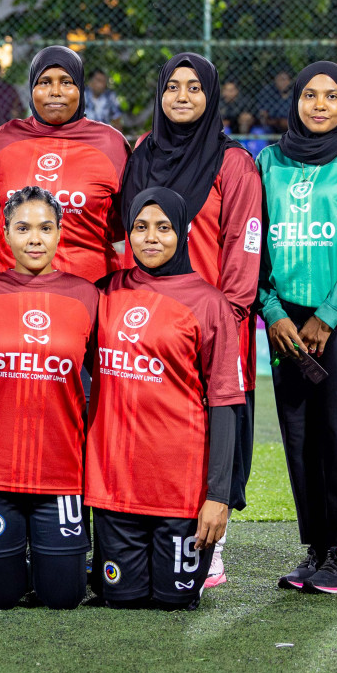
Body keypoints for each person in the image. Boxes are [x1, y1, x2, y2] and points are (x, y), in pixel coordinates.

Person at [119, 52, 262, 588]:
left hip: (207, 324)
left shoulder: (233, 164)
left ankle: (212, 545)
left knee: (211, 427)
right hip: (144, 320)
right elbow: (127, 237)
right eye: (172, 86)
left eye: (194, 87)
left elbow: (243, 248)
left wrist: (223, 320)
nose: (182, 96)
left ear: (212, 96)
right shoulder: (141, 153)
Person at [256, 62, 337, 594]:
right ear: (295, 101)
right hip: (287, 322)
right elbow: (254, 245)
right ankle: (316, 548)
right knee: (299, 437)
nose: (318, 105)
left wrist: (328, 316)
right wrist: (272, 311)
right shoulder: (267, 160)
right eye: (309, 95)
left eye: (331, 97)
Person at [87, 188, 245, 610]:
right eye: (140, 227)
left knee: (172, 604)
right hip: (114, 490)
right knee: (121, 600)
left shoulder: (210, 304)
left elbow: (226, 406)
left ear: (184, 233)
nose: (150, 238)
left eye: (163, 228)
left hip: (181, 494)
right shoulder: (104, 293)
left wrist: (219, 497)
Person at [0, 187, 97, 610]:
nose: (34, 239)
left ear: (60, 233)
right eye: (22, 228)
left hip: (60, 472)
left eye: (45, 228)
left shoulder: (88, 296)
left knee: (64, 597)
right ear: (4, 233)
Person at [0, 46, 129, 284]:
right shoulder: (5, 138)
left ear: (80, 88)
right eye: (44, 82)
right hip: (13, 286)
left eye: (66, 82)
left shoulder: (110, 143)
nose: (55, 92)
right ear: (32, 89)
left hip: (91, 287)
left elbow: (127, 218)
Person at [252, 70, 294, 136]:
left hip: (290, 124)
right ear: (275, 81)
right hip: (271, 124)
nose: (283, 83)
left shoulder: (295, 93)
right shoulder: (268, 92)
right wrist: (277, 121)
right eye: (280, 80)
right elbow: (263, 114)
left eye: (285, 80)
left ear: (290, 81)